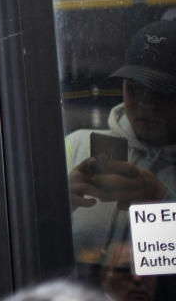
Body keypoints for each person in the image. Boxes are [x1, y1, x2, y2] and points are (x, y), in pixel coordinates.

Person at [66, 19, 176, 266]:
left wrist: (162, 204)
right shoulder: (75, 146)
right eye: (133, 89)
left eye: (161, 93)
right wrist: (59, 203)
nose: (145, 105)